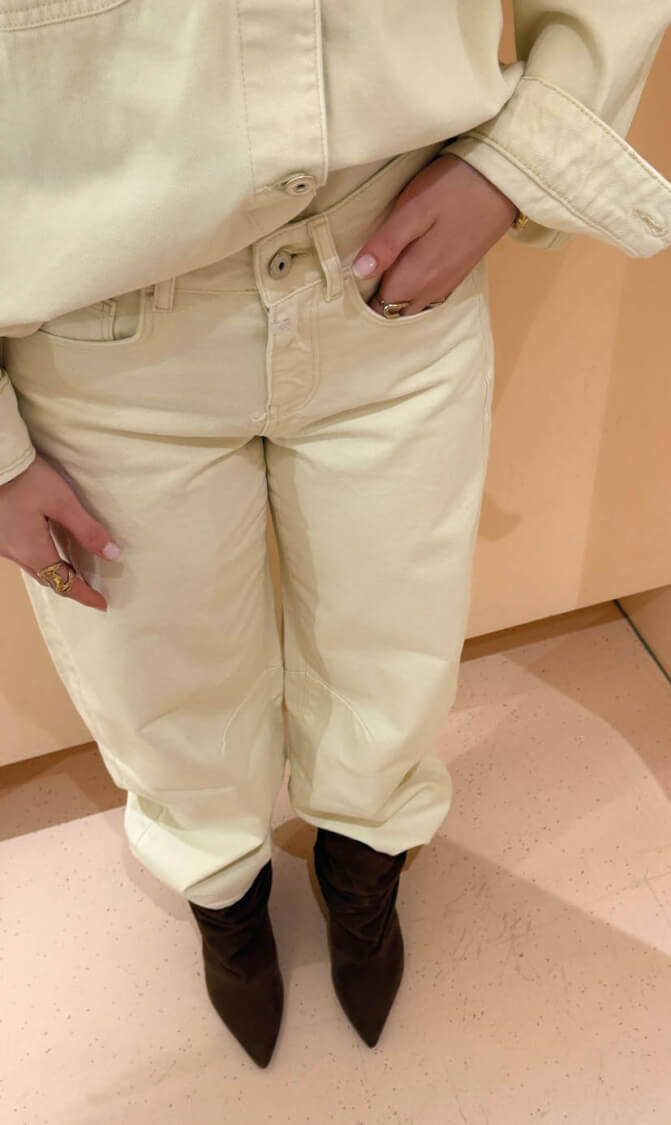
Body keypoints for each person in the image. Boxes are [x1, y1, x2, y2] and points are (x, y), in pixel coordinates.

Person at [1, 1, 670, 1070]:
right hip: (96, 330)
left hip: (390, 269)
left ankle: (364, 866)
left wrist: (516, 161)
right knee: (157, 670)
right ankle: (223, 890)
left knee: (393, 634)